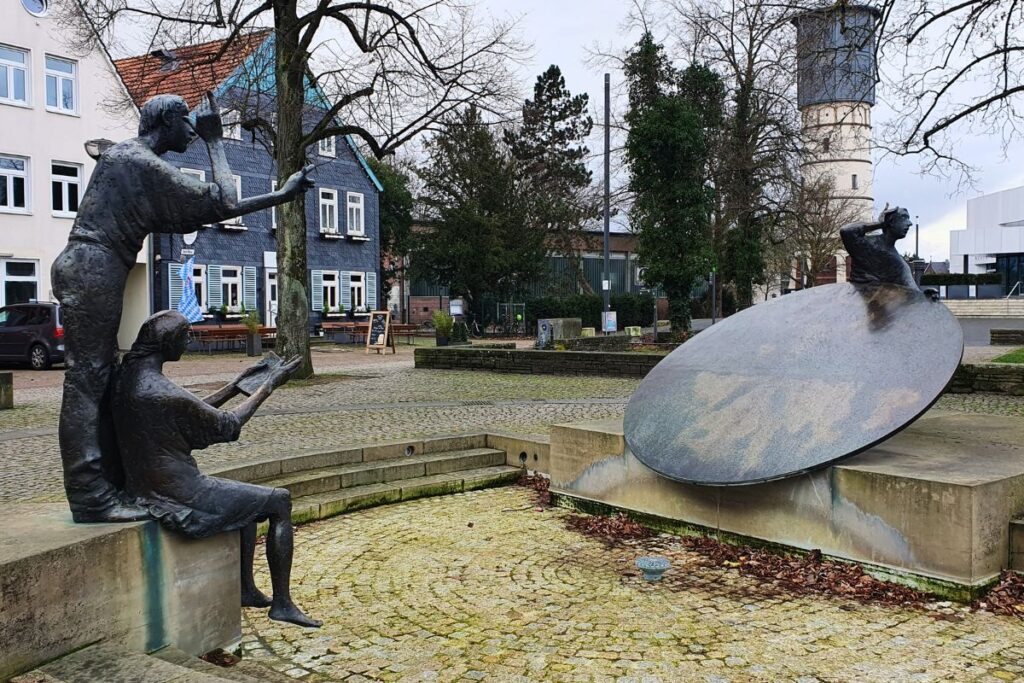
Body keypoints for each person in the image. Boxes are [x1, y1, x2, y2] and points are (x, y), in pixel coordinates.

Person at [52, 92, 313, 522]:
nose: (192, 128)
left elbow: (209, 211)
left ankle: (108, 481)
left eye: (197, 124)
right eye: (187, 121)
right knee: (86, 381)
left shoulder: (131, 161)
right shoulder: (138, 162)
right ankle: (89, 494)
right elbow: (224, 201)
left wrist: (280, 197)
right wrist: (215, 141)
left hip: (93, 267)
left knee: (99, 379)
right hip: (93, 268)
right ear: (167, 121)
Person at [112, 311, 321, 628]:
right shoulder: (162, 392)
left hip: (147, 486)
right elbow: (227, 425)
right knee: (279, 500)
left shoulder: (131, 379)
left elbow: (191, 410)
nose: (189, 341)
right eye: (186, 335)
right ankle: (282, 604)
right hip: (179, 493)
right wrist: (269, 385)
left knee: (248, 507)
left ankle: (246, 590)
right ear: (169, 342)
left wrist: (236, 387)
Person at [839, 207, 918, 289]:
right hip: (854, 296)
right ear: (891, 222)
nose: (910, 223)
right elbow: (846, 231)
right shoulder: (866, 244)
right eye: (904, 218)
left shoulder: (900, 264)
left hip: (876, 298)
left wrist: (927, 295)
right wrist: (879, 224)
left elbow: (913, 289)